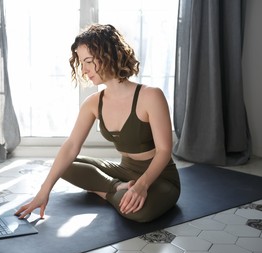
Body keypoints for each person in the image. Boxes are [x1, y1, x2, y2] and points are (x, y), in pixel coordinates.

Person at [15, 24, 180, 222]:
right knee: (61, 166)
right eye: (81, 63)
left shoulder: (150, 96)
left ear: (109, 55)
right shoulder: (93, 102)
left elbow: (164, 151)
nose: (84, 70)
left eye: (88, 62)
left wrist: (142, 186)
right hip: (124, 172)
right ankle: (115, 188)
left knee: (138, 212)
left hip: (160, 177)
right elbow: (71, 146)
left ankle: (107, 190)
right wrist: (44, 190)